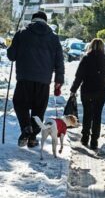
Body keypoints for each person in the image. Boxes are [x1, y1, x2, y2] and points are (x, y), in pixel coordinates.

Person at [7, 11, 64, 147]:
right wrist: (58, 80)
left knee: (20, 103)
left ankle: (26, 128)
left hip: (24, 77)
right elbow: (59, 61)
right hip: (44, 80)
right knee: (39, 109)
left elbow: (11, 56)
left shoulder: (22, 33)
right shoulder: (54, 38)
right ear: (45, 22)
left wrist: (12, 45)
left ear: (32, 21)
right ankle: (33, 137)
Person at [70, 38, 105, 150]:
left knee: (87, 114)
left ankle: (85, 138)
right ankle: (94, 141)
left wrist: (73, 90)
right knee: (97, 116)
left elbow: (79, 76)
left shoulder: (86, 59)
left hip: (87, 91)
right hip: (100, 91)